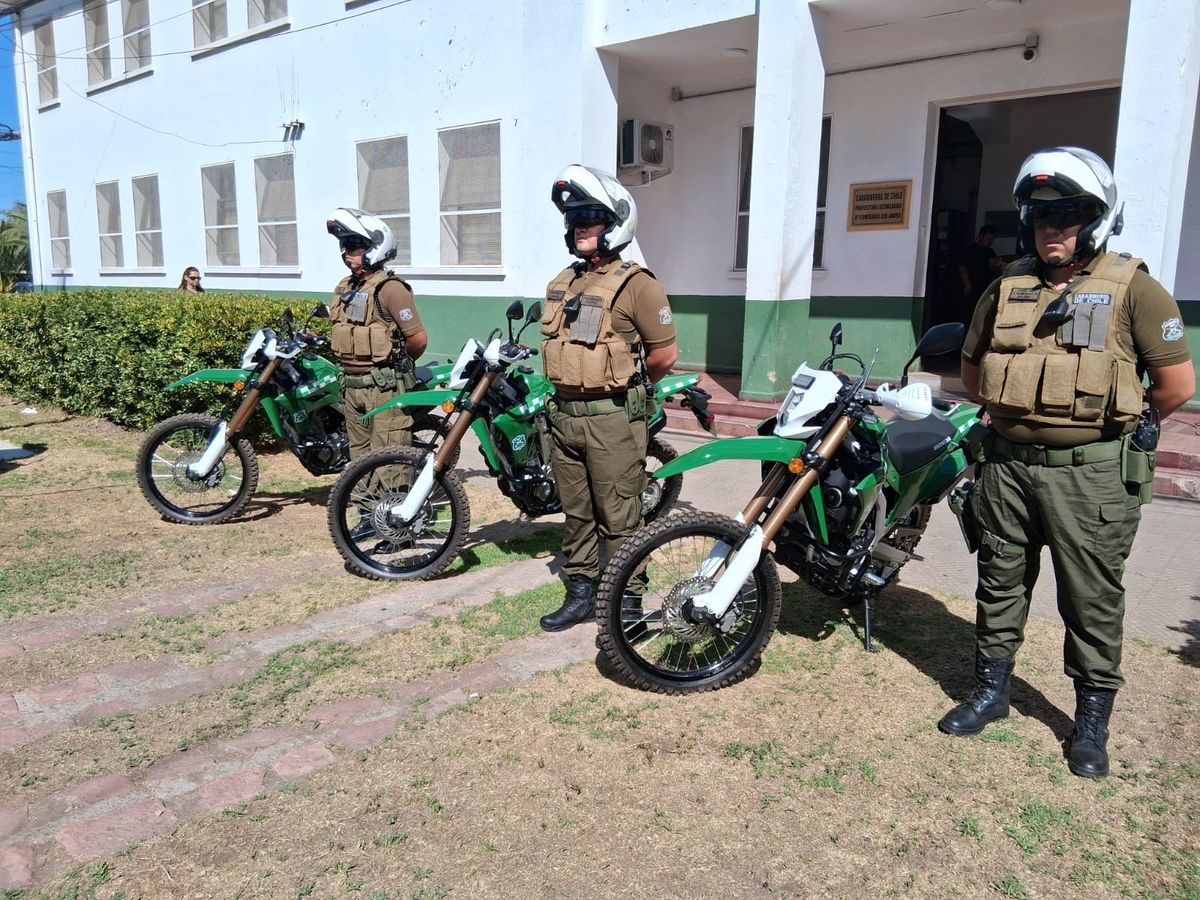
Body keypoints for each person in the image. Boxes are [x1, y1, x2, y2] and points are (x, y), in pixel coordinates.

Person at [940, 147, 1194, 779]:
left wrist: (1109, 425)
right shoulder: (1006, 287)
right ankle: (991, 691)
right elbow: (973, 371)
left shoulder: (1136, 290)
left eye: (1068, 216)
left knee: (1091, 597)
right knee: (999, 582)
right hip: (1006, 468)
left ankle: (1090, 723)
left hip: (1090, 476)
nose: (1051, 229)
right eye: (1040, 217)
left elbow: (1174, 387)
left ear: (1098, 219)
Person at [537, 165, 678, 632]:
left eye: (591, 218)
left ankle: (627, 602)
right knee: (576, 512)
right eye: (575, 218)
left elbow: (664, 355)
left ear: (615, 224)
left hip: (612, 419)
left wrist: (625, 387)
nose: (580, 226)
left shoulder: (638, 284)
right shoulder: (565, 281)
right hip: (563, 417)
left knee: (620, 515)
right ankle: (580, 592)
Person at [325, 208, 428, 533]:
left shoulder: (391, 289)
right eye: (345, 246)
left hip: (384, 389)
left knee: (389, 457)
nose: (347, 253)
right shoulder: (346, 287)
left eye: (354, 246)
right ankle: (369, 517)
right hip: (352, 387)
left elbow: (417, 339)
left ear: (375, 247)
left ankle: (399, 526)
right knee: (360, 458)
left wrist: (394, 365)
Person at [956, 225, 998, 316]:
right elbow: (962, 267)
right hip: (972, 287)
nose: (991, 241)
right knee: (969, 312)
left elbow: (992, 270)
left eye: (992, 239)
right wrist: (967, 284)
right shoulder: (970, 250)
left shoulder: (991, 252)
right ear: (981, 237)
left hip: (985, 288)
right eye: (988, 238)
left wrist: (996, 266)